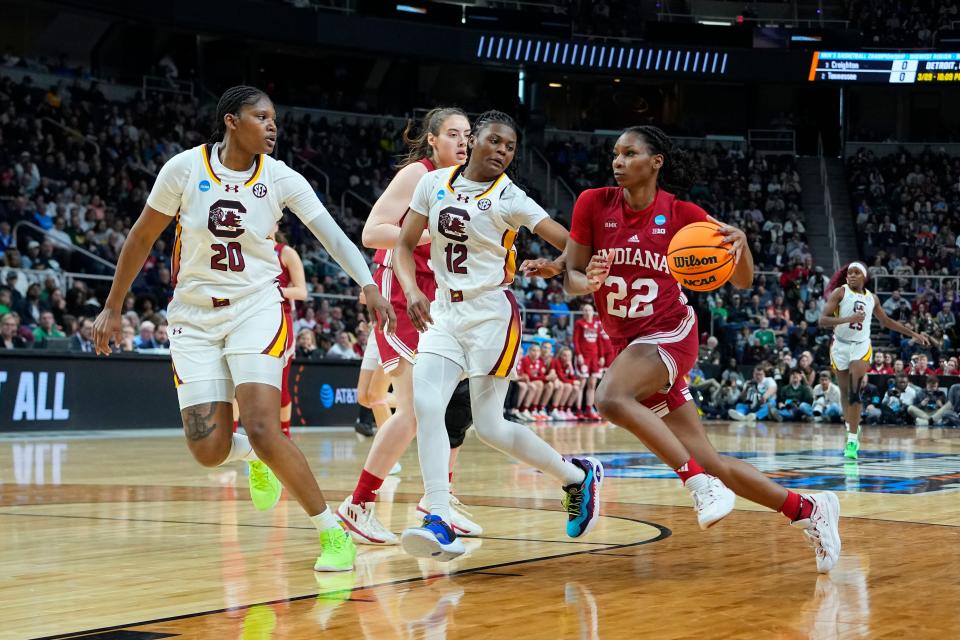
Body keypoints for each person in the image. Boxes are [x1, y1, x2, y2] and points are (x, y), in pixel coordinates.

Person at [92, 85, 395, 573]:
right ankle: (251, 458)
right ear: (231, 122)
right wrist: (112, 306)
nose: (272, 125)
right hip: (193, 316)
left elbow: (332, 233)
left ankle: (332, 534)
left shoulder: (281, 178)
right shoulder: (184, 169)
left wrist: (368, 283)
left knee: (261, 425)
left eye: (274, 117)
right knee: (208, 451)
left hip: (256, 308)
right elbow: (142, 236)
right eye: (261, 116)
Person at [563, 124, 840, 572]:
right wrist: (585, 281)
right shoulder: (593, 203)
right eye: (615, 154)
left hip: (671, 333)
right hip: (631, 345)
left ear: (655, 163)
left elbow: (744, 280)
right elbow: (571, 275)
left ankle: (694, 483)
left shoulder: (683, 213)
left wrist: (742, 246)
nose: (617, 161)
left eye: (629, 153)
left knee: (611, 398)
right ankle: (808, 509)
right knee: (711, 460)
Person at [395, 110, 603, 561]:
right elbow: (403, 245)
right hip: (444, 311)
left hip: (491, 313)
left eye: (510, 147)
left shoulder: (510, 196)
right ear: (474, 141)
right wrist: (411, 289)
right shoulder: (433, 184)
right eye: (494, 141)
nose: (502, 151)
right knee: (426, 405)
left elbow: (568, 241)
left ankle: (575, 477)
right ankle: (438, 518)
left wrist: (555, 265)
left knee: (490, 426)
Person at [338, 107, 481, 545]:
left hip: (441, 297)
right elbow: (372, 232)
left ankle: (439, 499)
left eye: (467, 135)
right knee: (417, 407)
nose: (463, 142)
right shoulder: (417, 175)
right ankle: (358, 505)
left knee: (450, 403)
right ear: (432, 140)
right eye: (453, 134)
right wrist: (427, 232)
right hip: (402, 290)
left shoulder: (469, 186)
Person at [817, 262, 930, 460]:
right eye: (849, 273)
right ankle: (852, 426)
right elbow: (822, 321)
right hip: (840, 345)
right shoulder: (840, 293)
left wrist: (913, 333)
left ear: (865, 277)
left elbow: (886, 322)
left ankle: (852, 440)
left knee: (854, 392)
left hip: (860, 346)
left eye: (856, 273)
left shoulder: (872, 298)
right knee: (844, 392)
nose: (851, 276)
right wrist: (848, 318)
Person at [572, 303, 603, 420]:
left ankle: (589, 409)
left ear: (593, 311)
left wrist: (601, 356)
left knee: (592, 385)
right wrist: (578, 355)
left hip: (594, 357)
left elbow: (599, 340)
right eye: (585, 310)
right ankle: (578, 409)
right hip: (583, 357)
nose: (587, 312)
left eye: (589, 310)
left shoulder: (596, 323)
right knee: (581, 384)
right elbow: (575, 340)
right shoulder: (579, 323)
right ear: (582, 312)